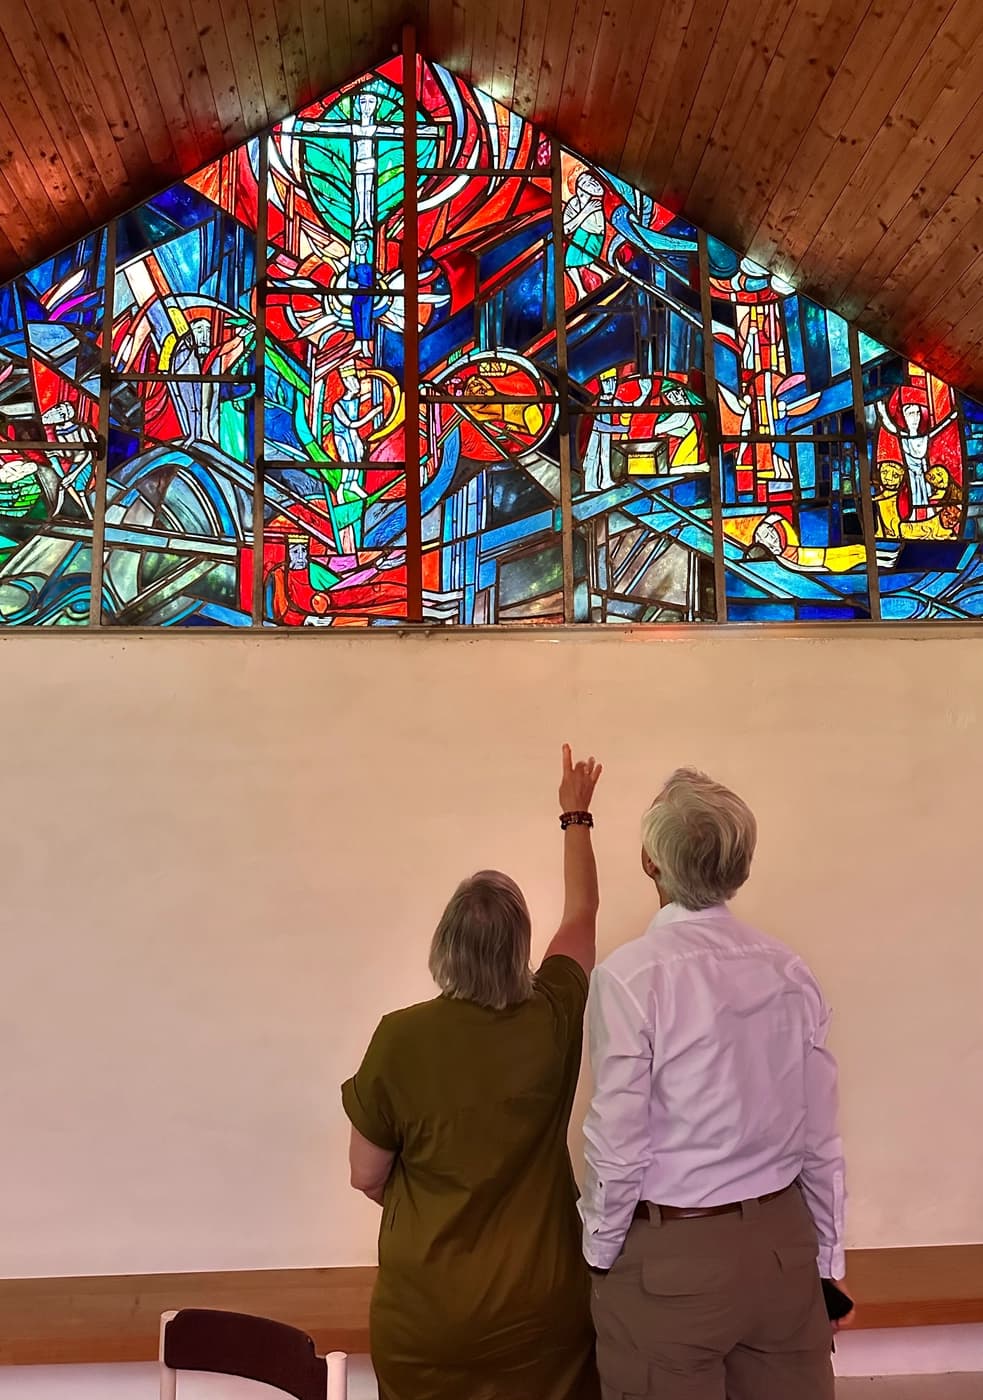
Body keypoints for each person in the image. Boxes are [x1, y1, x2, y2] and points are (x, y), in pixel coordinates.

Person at [342, 746, 604, 1400]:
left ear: (443, 945)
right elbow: (581, 916)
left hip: (426, 1318)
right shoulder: (552, 1016)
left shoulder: (399, 1039)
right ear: (519, 950)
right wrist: (575, 816)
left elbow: (365, 1176)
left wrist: (435, 1201)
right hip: (541, 1312)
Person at [583, 768, 847, 1400]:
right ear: (740, 866)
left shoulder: (629, 978)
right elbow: (821, 1138)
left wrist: (601, 1251)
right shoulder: (789, 971)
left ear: (649, 861)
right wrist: (827, 1262)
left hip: (673, 1258)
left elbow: (618, 1143)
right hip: (783, 1247)